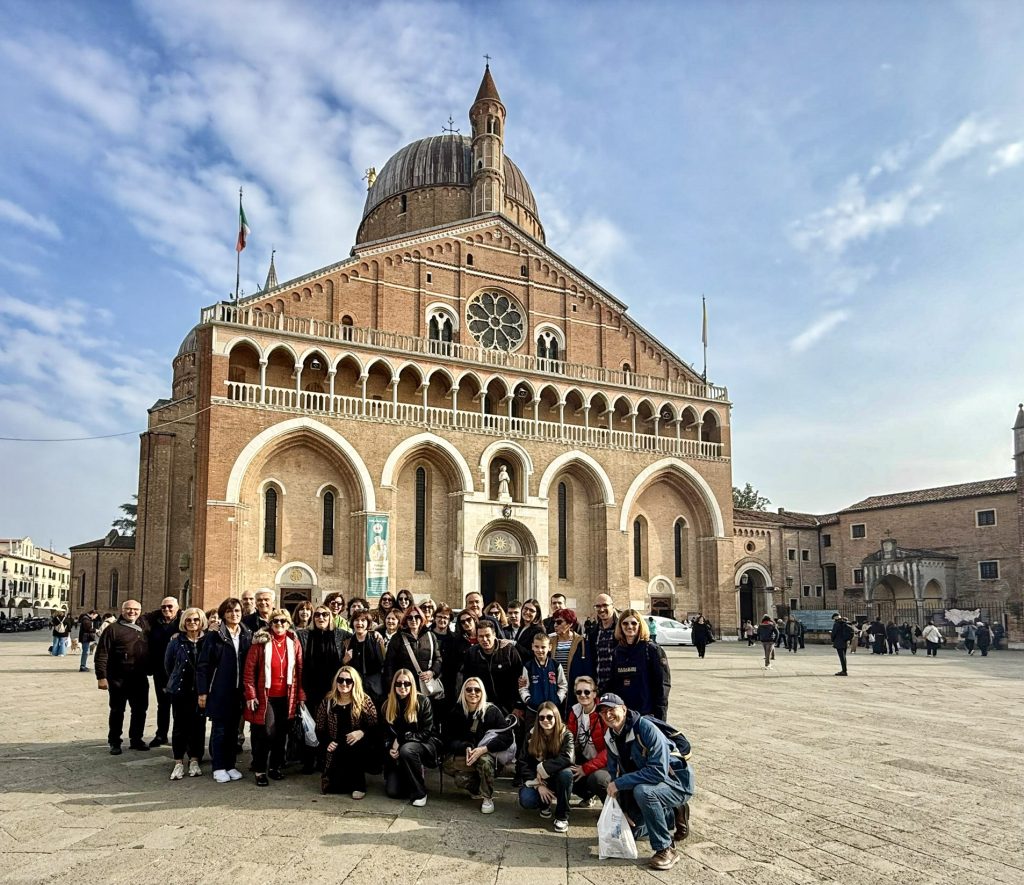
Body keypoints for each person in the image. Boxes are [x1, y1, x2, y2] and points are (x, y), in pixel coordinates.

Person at [598, 693, 693, 872]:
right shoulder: (610, 736)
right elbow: (614, 773)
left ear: (624, 709)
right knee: (631, 831)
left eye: (611, 709)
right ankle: (671, 815)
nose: (608, 715)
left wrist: (620, 783)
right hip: (644, 785)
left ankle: (665, 848)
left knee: (644, 792)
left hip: (676, 783)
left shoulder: (645, 728)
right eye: (603, 712)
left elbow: (658, 771)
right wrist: (623, 810)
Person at [244, 609, 305, 786]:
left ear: (288, 624)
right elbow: (249, 671)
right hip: (266, 696)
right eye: (275, 621)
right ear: (270, 624)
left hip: (287, 696)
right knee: (266, 733)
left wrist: (301, 694)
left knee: (281, 734)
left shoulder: (293, 643)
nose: (279, 624)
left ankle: (275, 767)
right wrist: (251, 694)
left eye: (283, 621)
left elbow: (299, 670)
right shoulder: (261, 643)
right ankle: (260, 770)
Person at [196, 597, 252, 783]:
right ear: (223, 614)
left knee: (233, 730)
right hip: (219, 689)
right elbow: (203, 665)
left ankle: (230, 765)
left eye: (237, 611)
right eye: (229, 611)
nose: (234, 614)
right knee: (220, 729)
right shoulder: (215, 636)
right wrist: (202, 692)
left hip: (238, 691)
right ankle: (218, 767)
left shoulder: (246, 634)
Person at [443, 677, 513, 814]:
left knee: (484, 761)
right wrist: (465, 747)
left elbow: (507, 736)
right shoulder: (456, 712)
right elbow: (448, 739)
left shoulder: (492, 711)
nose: (473, 693)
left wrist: (484, 749)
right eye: (469, 689)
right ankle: (476, 787)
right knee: (453, 772)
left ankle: (487, 797)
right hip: (467, 755)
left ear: (482, 692)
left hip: (488, 755)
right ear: (463, 692)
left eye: (477, 690)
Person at [95, 600, 150, 754]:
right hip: (118, 678)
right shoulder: (112, 629)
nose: (132, 612)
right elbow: (102, 654)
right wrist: (101, 676)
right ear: (122, 610)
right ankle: (114, 741)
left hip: (139, 677)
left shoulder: (144, 628)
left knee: (140, 710)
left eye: (135, 609)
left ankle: (136, 739)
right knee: (117, 711)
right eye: (128, 609)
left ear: (140, 611)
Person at [381, 668, 441, 806]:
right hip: (398, 751)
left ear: (412, 684)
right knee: (393, 792)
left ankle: (420, 793)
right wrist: (390, 748)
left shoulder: (422, 701)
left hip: (423, 744)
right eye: (399, 683)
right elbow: (385, 734)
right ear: (394, 685)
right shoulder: (388, 705)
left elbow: (427, 732)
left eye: (406, 683)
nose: (402, 687)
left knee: (407, 749)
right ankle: (411, 778)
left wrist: (401, 740)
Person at [316, 665, 378, 798]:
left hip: (357, 746)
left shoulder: (363, 700)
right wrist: (327, 742)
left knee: (355, 748)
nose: (344, 684)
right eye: (341, 680)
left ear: (354, 683)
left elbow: (375, 726)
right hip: (336, 747)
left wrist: (362, 732)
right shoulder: (328, 701)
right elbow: (319, 728)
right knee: (333, 788)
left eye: (348, 681)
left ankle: (359, 785)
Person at [302, 604, 349, 771]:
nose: (321, 618)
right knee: (310, 724)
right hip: (310, 687)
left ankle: (325, 759)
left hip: (332, 688)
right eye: (317, 615)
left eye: (325, 615)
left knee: (328, 724)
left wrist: (376, 634)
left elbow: (361, 633)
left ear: (330, 617)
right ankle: (308, 760)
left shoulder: (339, 634)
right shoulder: (305, 635)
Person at [517, 701, 575, 832]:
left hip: (557, 778)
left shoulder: (566, 734)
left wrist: (542, 768)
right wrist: (538, 785)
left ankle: (562, 816)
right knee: (526, 800)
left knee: (566, 774)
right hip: (537, 779)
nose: (545, 720)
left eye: (549, 717)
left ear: (556, 717)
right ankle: (544, 804)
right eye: (541, 717)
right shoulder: (531, 734)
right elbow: (523, 762)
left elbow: (568, 757)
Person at [164, 607, 208, 780]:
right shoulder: (176, 641)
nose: (192, 623)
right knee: (180, 726)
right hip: (181, 690)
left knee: (198, 726)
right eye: (188, 620)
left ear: (201, 621)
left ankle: (195, 759)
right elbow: (168, 665)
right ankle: (178, 762)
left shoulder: (207, 641)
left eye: (196, 619)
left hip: (200, 691)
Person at [608, 609, 666, 717]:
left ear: (640, 625)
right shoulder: (617, 652)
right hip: (624, 714)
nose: (629, 626)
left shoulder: (652, 650)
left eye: (634, 623)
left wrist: (660, 717)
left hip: (646, 713)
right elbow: (614, 682)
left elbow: (662, 686)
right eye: (625, 623)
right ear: (620, 626)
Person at [459, 616, 522, 716]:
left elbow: (519, 678)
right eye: (481, 636)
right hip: (483, 705)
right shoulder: (472, 653)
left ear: (494, 635)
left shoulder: (508, 650)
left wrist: (518, 705)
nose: (484, 639)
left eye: (487, 635)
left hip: (509, 705)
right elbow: (467, 681)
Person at [143, 596, 182, 748]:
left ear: (177, 608)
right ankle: (161, 735)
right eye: (163, 607)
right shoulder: (154, 622)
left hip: (179, 672)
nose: (166, 609)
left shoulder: (183, 622)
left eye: (170, 607)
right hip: (160, 670)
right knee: (163, 704)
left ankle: (179, 736)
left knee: (179, 705)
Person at [567, 675, 611, 806]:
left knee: (597, 779)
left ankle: (613, 809)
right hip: (585, 759)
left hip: (607, 763)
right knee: (566, 773)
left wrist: (586, 768)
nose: (583, 695)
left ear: (594, 694)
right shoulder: (575, 712)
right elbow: (568, 740)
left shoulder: (604, 713)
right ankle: (588, 795)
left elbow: (610, 750)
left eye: (587, 692)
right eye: (579, 692)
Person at [383, 606, 442, 697]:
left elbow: (438, 658)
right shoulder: (397, 638)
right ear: (405, 620)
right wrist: (391, 687)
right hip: (405, 686)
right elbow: (389, 664)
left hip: (425, 685)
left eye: (417, 617)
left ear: (421, 618)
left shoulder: (431, 636)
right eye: (410, 617)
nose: (413, 620)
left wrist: (432, 672)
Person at [519, 632, 569, 721]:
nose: (540, 650)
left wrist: (558, 699)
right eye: (536, 646)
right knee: (531, 730)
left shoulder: (556, 665)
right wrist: (528, 700)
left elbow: (563, 685)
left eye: (543, 647)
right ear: (532, 646)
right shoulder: (528, 667)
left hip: (552, 711)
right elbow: (523, 688)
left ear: (549, 647)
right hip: (533, 711)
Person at [549, 609, 592, 711]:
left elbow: (587, 670)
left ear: (570, 624)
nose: (555, 625)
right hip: (555, 690)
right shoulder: (550, 642)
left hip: (574, 691)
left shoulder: (581, 643)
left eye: (559, 622)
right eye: (554, 622)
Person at [343, 611, 386, 701]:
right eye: (356, 620)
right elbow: (344, 666)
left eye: (363, 620)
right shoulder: (348, 642)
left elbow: (384, 661)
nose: (359, 623)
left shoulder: (376, 638)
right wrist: (344, 660)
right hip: (356, 686)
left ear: (368, 623)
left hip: (376, 686)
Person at [586, 594, 618, 693]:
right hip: (599, 688)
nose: (601, 609)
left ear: (612, 606)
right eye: (598, 606)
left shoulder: (621, 629)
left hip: (618, 687)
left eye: (605, 605)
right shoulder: (593, 632)